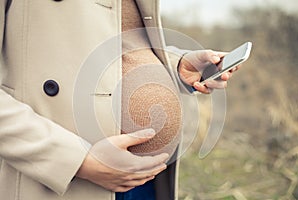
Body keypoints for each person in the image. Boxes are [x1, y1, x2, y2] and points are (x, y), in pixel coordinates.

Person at [0, 0, 237, 200]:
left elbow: (124, 38)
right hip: (63, 178)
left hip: (146, 179)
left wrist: (176, 64)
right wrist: (77, 161)